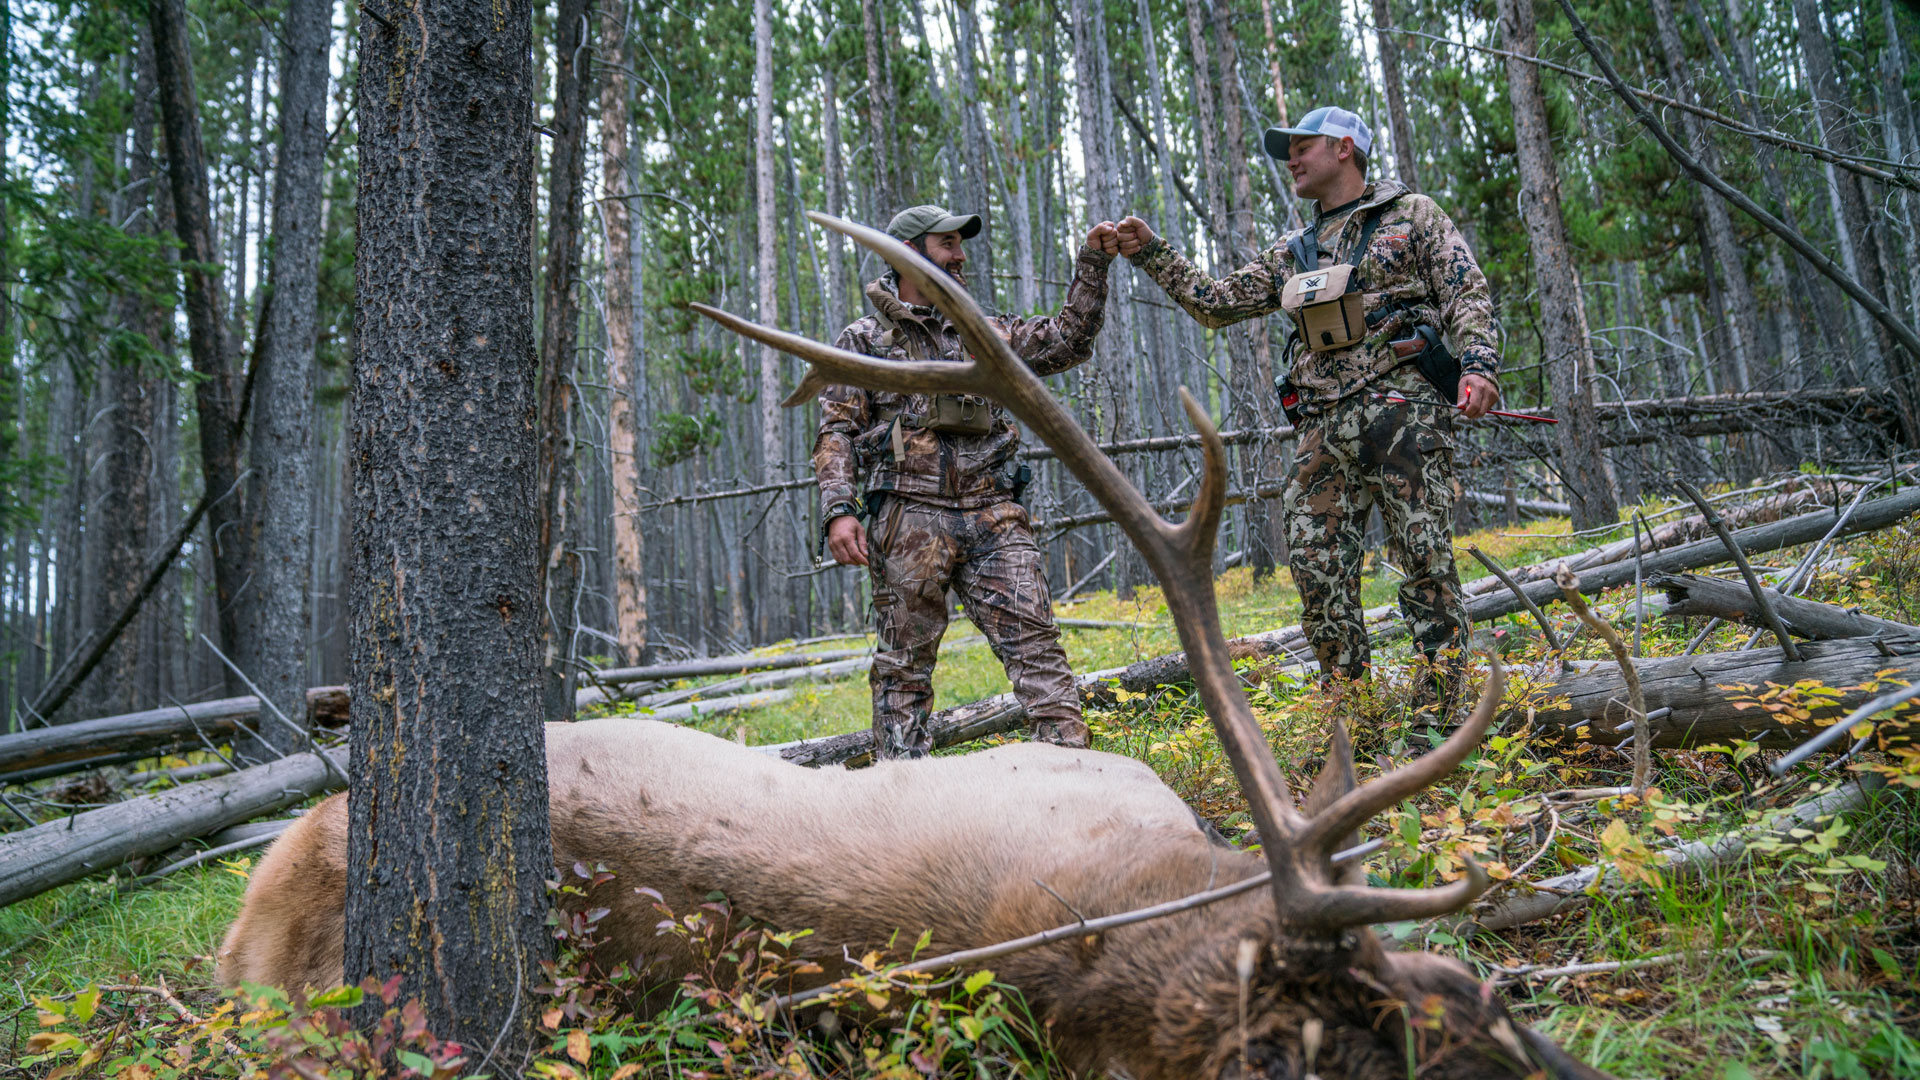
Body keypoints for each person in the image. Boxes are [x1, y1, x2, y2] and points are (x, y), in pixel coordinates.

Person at [1115, 106, 1500, 708]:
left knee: (1425, 562)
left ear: (1345, 148)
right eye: (1287, 151)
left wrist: (1477, 367)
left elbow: (1466, 292)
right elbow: (1217, 303)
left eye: (1303, 147)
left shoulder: (1413, 216)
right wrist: (1151, 253)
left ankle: (1446, 716)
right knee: (1319, 577)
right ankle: (1351, 722)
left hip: (1401, 413)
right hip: (1320, 428)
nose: (1290, 160)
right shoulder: (1295, 248)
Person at [815, 204, 1122, 759]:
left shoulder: (985, 328)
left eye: (959, 244)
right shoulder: (860, 340)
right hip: (908, 519)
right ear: (908, 254)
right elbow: (836, 430)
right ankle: (905, 802)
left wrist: (1093, 263)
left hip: (993, 513)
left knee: (1038, 650)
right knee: (904, 671)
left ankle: (1078, 777)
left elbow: (1067, 340)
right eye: (947, 244)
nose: (960, 256)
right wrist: (839, 509)